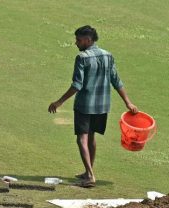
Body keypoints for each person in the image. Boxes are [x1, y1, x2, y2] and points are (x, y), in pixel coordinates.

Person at [48, 25, 138, 188]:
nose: (76, 43)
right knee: (92, 137)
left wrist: (59, 101)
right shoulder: (108, 55)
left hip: (84, 105)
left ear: (88, 40)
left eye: (78, 40)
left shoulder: (82, 58)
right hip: (102, 106)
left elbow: (77, 85)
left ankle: (89, 175)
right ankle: (88, 170)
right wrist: (128, 102)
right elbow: (116, 81)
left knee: (81, 139)